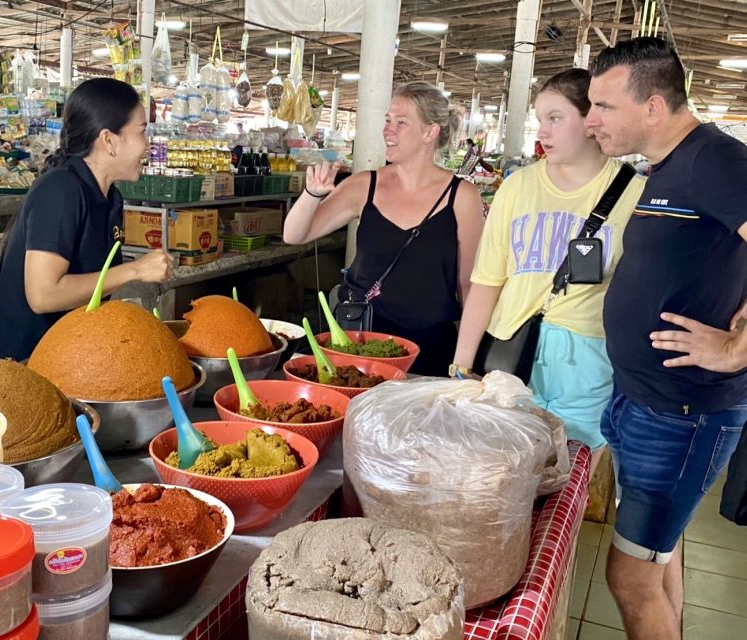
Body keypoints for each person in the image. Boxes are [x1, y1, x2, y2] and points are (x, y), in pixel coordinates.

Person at [584, 36, 747, 640]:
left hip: (683, 416)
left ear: (653, 106)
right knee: (659, 554)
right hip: (646, 401)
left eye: (603, 105)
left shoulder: (716, 161)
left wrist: (737, 347)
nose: (591, 119)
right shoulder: (668, 167)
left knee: (630, 577)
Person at [450, 68, 645, 473]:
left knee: (566, 479)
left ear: (592, 121)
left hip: (588, 362)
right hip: (511, 354)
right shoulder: (518, 188)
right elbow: (486, 283)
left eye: (555, 118)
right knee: (500, 475)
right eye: (539, 120)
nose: (543, 131)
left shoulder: (635, 194)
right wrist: (461, 366)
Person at [282, 81, 484, 375]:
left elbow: (468, 286)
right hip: (360, 340)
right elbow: (294, 235)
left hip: (430, 348)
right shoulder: (366, 185)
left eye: (401, 123)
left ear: (430, 132)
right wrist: (312, 194)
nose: (388, 130)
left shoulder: (462, 197)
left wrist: (466, 361)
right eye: (388, 120)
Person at [0, 78, 173, 361]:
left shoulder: (110, 198)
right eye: (142, 132)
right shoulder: (61, 190)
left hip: (66, 356)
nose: (148, 145)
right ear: (108, 140)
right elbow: (43, 295)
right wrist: (135, 271)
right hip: (17, 363)